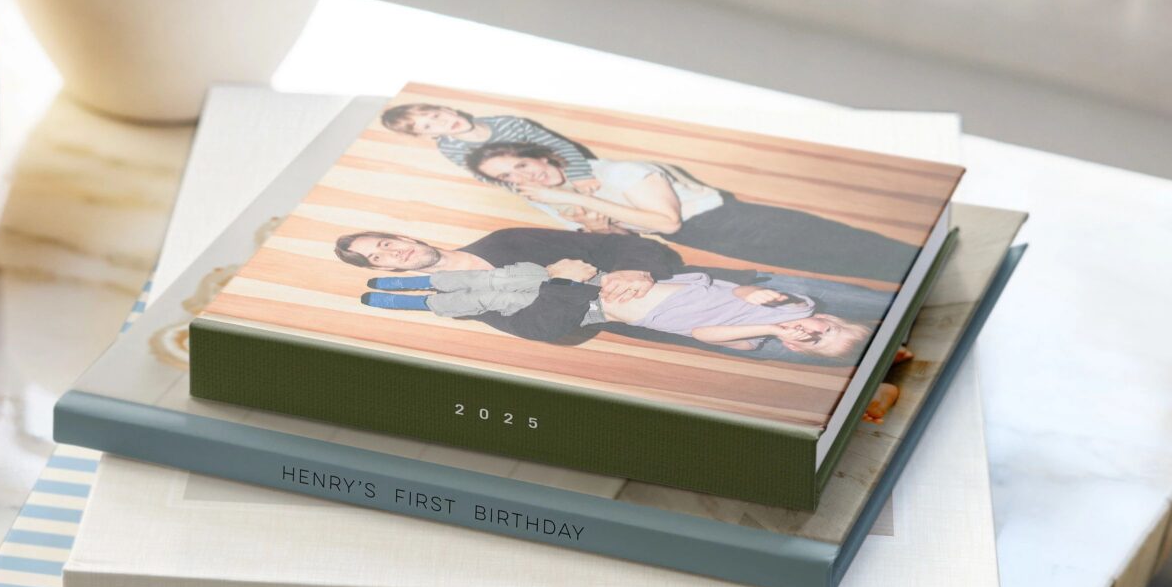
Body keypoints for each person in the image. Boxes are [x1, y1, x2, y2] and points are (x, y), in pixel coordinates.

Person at [336, 230, 872, 359]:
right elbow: (547, 331)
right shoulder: (464, 297)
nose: (391, 254)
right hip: (703, 322)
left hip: (745, 290)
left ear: (403, 235)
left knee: (888, 316)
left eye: (386, 243)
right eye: (376, 259)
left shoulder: (505, 242)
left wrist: (636, 269)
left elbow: (620, 244)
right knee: (850, 359)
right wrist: (556, 278)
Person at [462, 144, 916, 288]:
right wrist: (599, 229)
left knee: (859, 249)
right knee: (839, 265)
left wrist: (592, 205)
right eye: (509, 176)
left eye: (521, 163)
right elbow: (630, 231)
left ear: (535, 154)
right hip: (717, 239)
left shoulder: (617, 172)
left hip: (736, 221)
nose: (525, 175)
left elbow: (667, 223)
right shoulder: (559, 199)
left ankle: (924, 270)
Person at [379, 100, 593, 178]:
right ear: (429, 135)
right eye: (428, 126)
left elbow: (558, 145)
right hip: (533, 182)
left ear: (447, 108)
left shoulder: (507, 123)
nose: (441, 123)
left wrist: (579, 175)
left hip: (569, 162)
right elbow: (488, 177)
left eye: (436, 115)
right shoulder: (451, 148)